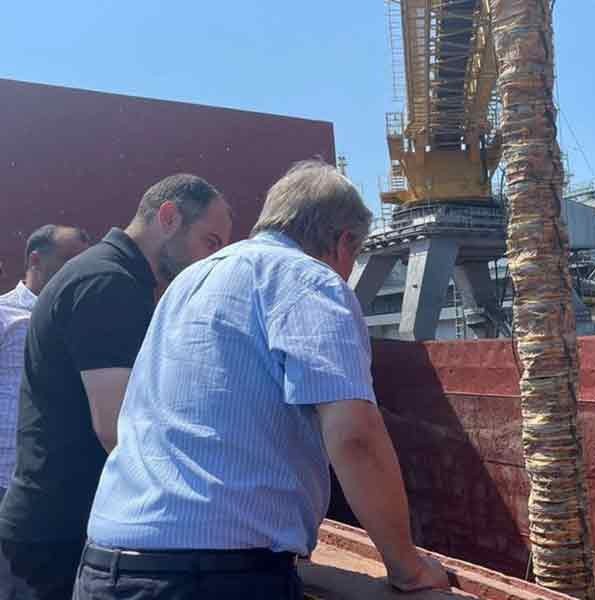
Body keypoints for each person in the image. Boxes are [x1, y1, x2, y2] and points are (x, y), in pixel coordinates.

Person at [74, 161, 449, 599]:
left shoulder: (188, 282)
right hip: (210, 579)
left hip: (106, 567)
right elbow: (354, 437)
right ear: (344, 242)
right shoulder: (310, 280)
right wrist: (407, 568)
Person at [0, 175, 233, 600]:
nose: (210, 260)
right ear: (168, 217)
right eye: (210, 242)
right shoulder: (109, 282)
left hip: (56, 527)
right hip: (58, 540)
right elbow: (120, 429)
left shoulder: (113, 277)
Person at [0, 225, 91, 599]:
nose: (77, 271)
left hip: (53, 495)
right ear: (35, 259)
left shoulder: (83, 323)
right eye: (68, 261)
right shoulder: (6, 315)